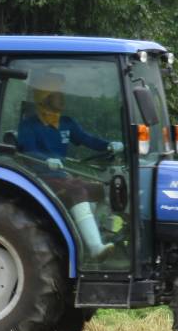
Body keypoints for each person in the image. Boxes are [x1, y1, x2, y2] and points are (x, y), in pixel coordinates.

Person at [17, 72, 124, 258]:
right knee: (77, 191)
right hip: (40, 180)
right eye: (58, 94)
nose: (62, 97)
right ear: (45, 97)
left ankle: (100, 233)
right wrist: (45, 161)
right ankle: (94, 248)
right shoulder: (29, 125)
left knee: (106, 189)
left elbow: (87, 139)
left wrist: (108, 144)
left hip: (63, 177)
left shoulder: (66, 123)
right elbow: (27, 153)